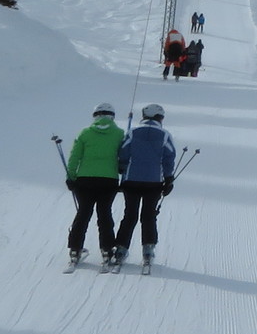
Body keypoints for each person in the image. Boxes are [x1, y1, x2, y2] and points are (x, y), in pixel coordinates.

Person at [112, 102, 178, 267]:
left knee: (130, 214)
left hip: (131, 180)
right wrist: (168, 179)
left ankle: (121, 248)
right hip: (154, 182)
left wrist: (122, 168)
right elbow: (169, 158)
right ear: (159, 118)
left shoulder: (132, 132)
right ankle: (148, 249)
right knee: (149, 216)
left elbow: (123, 152)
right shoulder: (165, 135)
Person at [64, 104, 124, 269]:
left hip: (85, 180)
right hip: (109, 180)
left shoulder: (85, 133)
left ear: (95, 116)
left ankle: (75, 249)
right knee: (104, 214)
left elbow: (74, 156)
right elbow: (124, 157)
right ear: (112, 116)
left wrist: (71, 177)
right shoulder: (119, 134)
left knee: (83, 213)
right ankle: (107, 250)